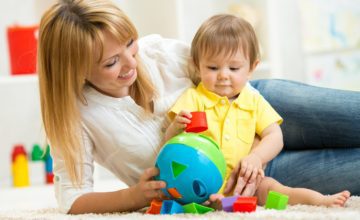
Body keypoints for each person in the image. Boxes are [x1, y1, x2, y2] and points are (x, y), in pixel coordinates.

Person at [37, 0, 360, 214]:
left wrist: (258, 147)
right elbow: (73, 200)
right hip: (248, 180)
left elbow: (226, 64)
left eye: (130, 44)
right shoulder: (77, 117)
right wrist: (134, 195)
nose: (131, 63)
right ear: (74, 70)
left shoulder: (160, 52)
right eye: (111, 62)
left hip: (257, 106)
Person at [165, 14, 350, 207]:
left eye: (234, 68)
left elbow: (274, 136)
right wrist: (176, 128)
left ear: (252, 68)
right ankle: (216, 203)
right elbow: (170, 143)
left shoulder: (253, 100)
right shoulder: (193, 98)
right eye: (212, 67)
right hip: (204, 180)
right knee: (198, 195)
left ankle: (321, 200)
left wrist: (256, 157)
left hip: (250, 180)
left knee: (276, 189)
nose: (223, 76)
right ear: (197, 65)